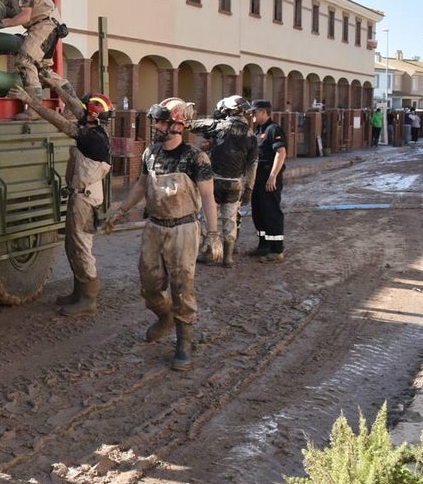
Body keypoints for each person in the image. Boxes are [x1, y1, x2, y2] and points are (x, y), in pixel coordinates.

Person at [102, 98, 219, 371]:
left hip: (184, 229)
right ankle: (165, 317)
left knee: (182, 287)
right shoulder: (150, 153)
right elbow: (142, 186)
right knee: (150, 285)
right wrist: (120, 211)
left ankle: (184, 343)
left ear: (178, 125)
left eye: (162, 121)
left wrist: (213, 235)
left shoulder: (195, 158)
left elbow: (208, 196)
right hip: (154, 227)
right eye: (156, 121)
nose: (156, 126)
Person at [9, 73, 112, 316]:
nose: (79, 111)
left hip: (85, 199)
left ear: (92, 114)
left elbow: (58, 121)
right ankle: (79, 292)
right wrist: (56, 84)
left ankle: (88, 299)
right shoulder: (92, 125)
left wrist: (30, 100)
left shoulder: (90, 137)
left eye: (85, 110)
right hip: (82, 195)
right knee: (72, 245)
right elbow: (75, 103)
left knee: (81, 246)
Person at [0, 0, 67, 120]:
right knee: (44, 71)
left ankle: (34, 110)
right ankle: (74, 104)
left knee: (24, 60)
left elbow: (25, 16)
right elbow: (16, 3)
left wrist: (2, 24)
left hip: (44, 24)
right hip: (47, 25)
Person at [188, 95, 257, 268]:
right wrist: (249, 189)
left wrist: (187, 114)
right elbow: (252, 166)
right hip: (235, 182)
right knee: (230, 219)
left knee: (207, 216)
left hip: (214, 181)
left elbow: (192, 126)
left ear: (229, 111)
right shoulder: (251, 135)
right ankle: (228, 258)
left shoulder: (220, 126)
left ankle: (209, 253)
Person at [248, 99, 287, 262]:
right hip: (258, 179)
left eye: (254, 112)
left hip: (268, 179)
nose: (252, 116)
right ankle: (263, 245)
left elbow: (281, 153)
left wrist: (273, 177)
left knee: (271, 212)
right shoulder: (259, 130)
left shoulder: (273, 129)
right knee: (259, 212)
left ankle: (277, 250)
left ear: (264, 112)